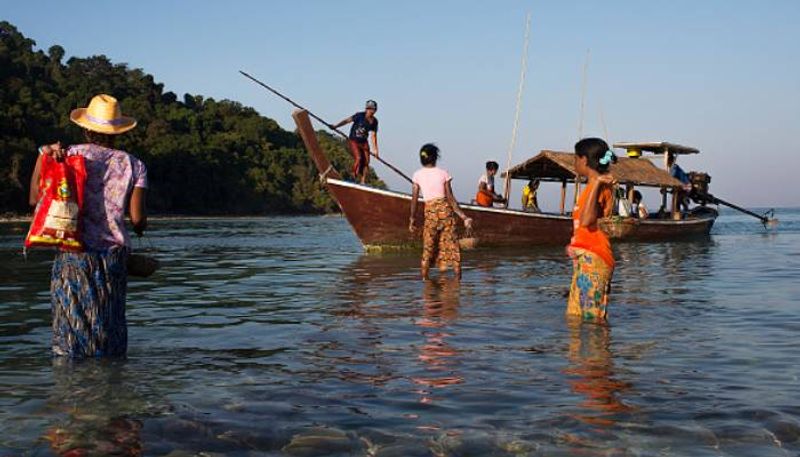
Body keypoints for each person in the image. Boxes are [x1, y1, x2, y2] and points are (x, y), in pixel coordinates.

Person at [29, 94, 147, 357]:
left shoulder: (68, 155)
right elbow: (137, 218)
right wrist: (139, 229)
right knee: (110, 331)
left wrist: (43, 156)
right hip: (113, 260)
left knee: (70, 334)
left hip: (74, 255)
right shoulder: (135, 165)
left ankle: (72, 392)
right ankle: (111, 391)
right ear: (118, 131)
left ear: (85, 128)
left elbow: (35, 198)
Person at [567, 138, 616, 323]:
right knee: (575, 317)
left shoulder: (599, 186)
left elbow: (587, 220)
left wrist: (596, 182)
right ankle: (578, 353)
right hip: (587, 259)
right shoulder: (592, 187)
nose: (574, 163)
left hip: (596, 258)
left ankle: (599, 352)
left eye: (575, 158)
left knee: (591, 318)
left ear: (584, 160)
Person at [409, 144, 472, 280]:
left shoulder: (417, 175)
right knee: (453, 247)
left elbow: (414, 200)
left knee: (428, 248)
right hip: (445, 212)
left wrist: (412, 219)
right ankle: (457, 281)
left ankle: (425, 281)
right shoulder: (443, 173)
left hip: (430, 213)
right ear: (435, 158)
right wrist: (463, 216)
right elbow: (450, 198)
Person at [331, 100, 379, 184]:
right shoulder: (359, 116)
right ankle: (353, 176)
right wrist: (336, 126)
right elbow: (347, 121)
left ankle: (363, 181)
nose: (371, 111)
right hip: (354, 140)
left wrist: (375, 150)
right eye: (369, 109)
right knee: (359, 158)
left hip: (364, 142)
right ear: (366, 109)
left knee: (367, 162)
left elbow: (373, 136)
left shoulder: (374, 121)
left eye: (373, 109)